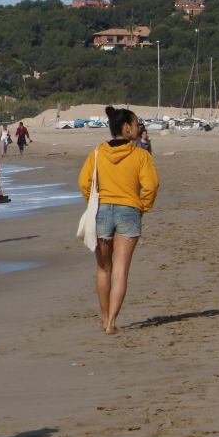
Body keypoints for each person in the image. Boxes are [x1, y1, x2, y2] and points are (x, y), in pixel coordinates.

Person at [79, 106, 159, 335]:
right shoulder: (141, 155)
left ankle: (104, 316)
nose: (138, 127)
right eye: (136, 124)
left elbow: (84, 183)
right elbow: (151, 186)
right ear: (126, 127)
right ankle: (111, 322)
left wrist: (93, 202)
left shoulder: (97, 153)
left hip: (102, 211)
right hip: (129, 211)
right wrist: (143, 206)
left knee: (104, 268)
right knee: (121, 270)